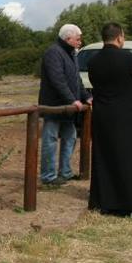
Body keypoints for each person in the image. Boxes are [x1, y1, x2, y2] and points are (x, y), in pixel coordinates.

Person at [87, 22, 132, 217]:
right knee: (129, 159)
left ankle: (105, 202)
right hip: (125, 115)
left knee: (105, 157)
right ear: (120, 37)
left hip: (103, 115)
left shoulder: (93, 61)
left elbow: (94, 83)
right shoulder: (128, 58)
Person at [37, 24, 89, 187]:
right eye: (78, 39)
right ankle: (48, 176)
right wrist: (72, 100)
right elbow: (57, 80)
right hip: (54, 107)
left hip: (68, 108)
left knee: (70, 138)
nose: (80, 42)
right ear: (68, 38)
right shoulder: (54, 52)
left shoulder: (71, 53)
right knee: (50, 140)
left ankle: (65, 172)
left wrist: (86, 96)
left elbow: (76, 79)